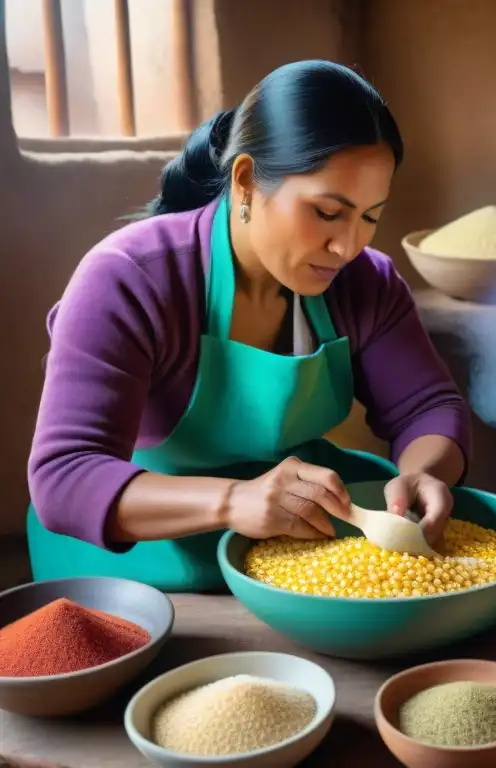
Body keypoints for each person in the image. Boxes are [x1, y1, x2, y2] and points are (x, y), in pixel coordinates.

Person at [26, 60, 472, 592]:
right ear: (245, 182)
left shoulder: (363, 281)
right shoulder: (129, 278)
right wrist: (235, 501)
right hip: (143, 553)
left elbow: (427, 407)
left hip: (295, 536)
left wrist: (426, 471)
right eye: (328, 213)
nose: (349, 245)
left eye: (370, 217)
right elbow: (65, 477)